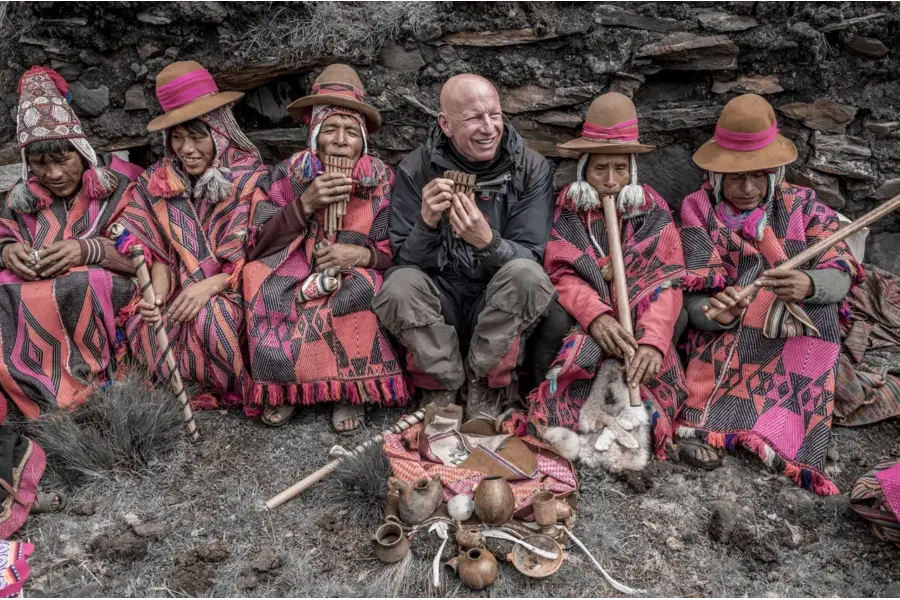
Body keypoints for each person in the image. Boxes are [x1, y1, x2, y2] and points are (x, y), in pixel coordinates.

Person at [678, 94, 863, 494]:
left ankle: (785, 432)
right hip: (726, 335)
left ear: (775, 173)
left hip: (790, 328)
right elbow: (692, 297)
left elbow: (842, 271)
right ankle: (713, 423)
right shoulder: (697, 210)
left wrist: (809, 285)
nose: (747, 187)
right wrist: (718, 312)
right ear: (716, 176)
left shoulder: (802, 205)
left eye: (758, 175)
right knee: (733, 322)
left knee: (825, 314)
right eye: (735, 176)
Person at [372, 73, 558, 420]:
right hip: (442, 299)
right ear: (445, 123)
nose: (489, 128)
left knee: (527, 276)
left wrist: (487, 242)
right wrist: (426, 223)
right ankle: (440, 389)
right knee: (399, 286)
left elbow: (532, 257)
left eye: (495, 114)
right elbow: (404, 262)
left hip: (496, 299)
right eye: (474, 118)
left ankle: (487, 386)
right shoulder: (416, 169)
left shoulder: (531, 169)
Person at [243, 64, 409, 431]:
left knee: (363, 289)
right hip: (296, 265)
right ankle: (286, 389)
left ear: (363, 142)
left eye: (351, 132)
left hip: (356, 272)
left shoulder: (382, 182)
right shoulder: (286, 176)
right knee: (260, 281)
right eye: (329, 129)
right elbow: (257, 244)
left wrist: (362, 256)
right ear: (315, 136)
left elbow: (400, 248)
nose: (339, 140)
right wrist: (304, 205)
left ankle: (351, 392)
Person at [524, 92, 687, 457]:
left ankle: (638, 416)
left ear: (633, 170)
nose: (611, 181)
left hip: (639, 321)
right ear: (584, 170)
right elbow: (560, 272)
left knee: (676, 320)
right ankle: (561, 413)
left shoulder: (652, 208)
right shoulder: (568, 209)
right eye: (600, 170)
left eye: (620, 169)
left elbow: (667, 278)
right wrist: (596, 316)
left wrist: (653, 340)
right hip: (586, 319)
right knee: (553, 317)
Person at [112, 61, 268, 409]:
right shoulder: (158, 180)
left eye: (198, 137)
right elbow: (159, 253)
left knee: (213, 317)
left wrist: (207, 287)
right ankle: (191, 383)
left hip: (234, 287)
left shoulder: (249, 177)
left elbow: (253, 254)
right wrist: (157, 296)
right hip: (182, 286)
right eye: (177, 138)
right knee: (148, 324)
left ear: (219, 133)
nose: (187, 149)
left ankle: (237, 386)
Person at [0, 66, 138, 416]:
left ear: (82, 150)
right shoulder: (22, 197)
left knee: (82, 282)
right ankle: (37, 394)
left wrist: (87, 249)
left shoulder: (122, 183)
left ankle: (92, 389)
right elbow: (3, 232)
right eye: (40, 164)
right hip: (37, 292)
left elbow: (147, 251)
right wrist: (8, 251)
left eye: (63, 159)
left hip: (110, 286)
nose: (54, 174)